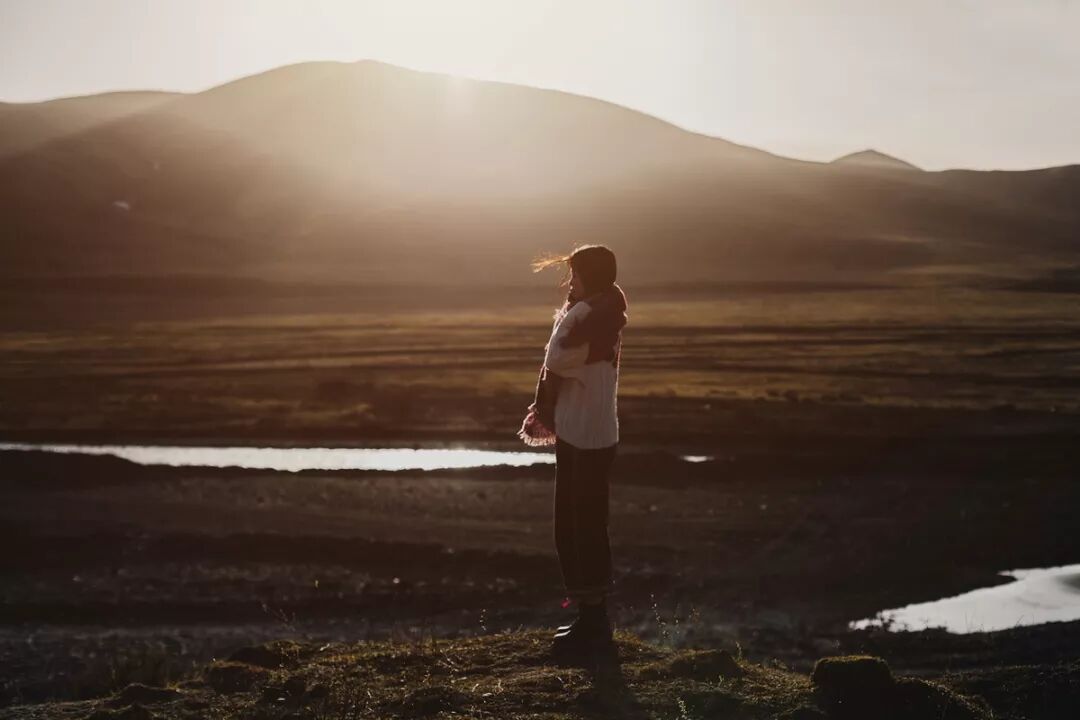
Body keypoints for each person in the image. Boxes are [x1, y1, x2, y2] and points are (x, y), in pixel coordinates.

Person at [517, 244, 628, 658]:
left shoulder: (592, 319)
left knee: (580, 527)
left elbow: (556, 358)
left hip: (587, 438)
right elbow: (562, 359)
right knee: (579, 525)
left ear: (593, 277)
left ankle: (594, 625)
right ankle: (590, 617)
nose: (571, 282)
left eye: (577, 275)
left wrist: (573, 314)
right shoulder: (601, 315)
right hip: (585, 434)